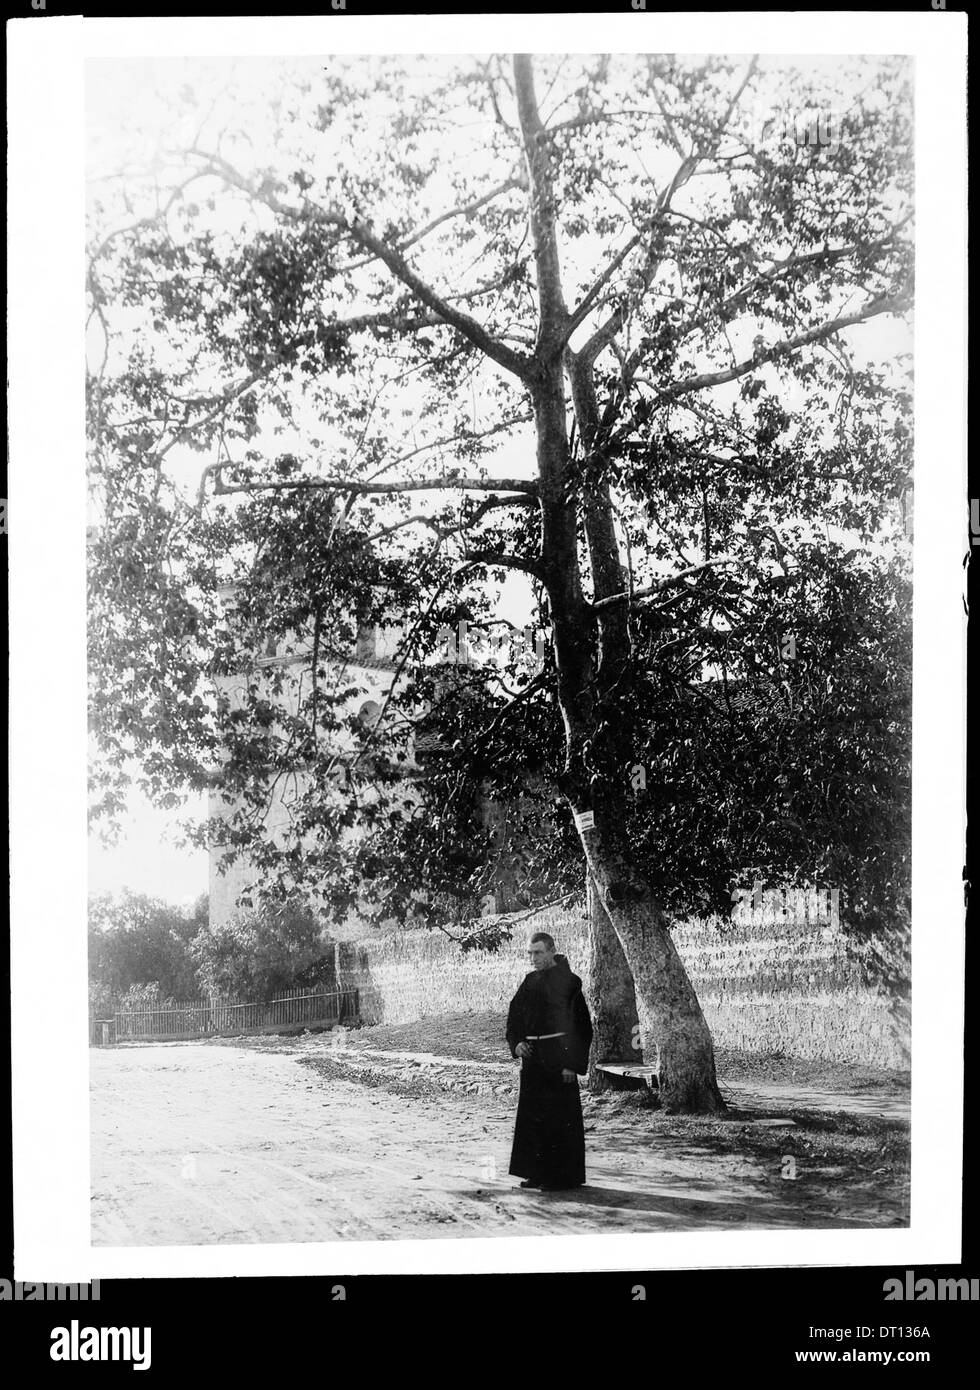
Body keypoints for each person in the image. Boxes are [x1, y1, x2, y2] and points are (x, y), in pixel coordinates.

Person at [505, 932, 594, 1191]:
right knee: (534, 1117)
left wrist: (572, 1064)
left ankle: (561, 1177)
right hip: (533, 1059)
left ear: (552, 950)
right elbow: (514, 1018)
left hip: (559, 1059)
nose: (534, 958)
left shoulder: (570, 983)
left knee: (559, 1118)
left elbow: (582, 1027)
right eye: (530, 953)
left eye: (539, 952)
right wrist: (517, 1043)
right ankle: (536, 1172)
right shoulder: (529, 981)